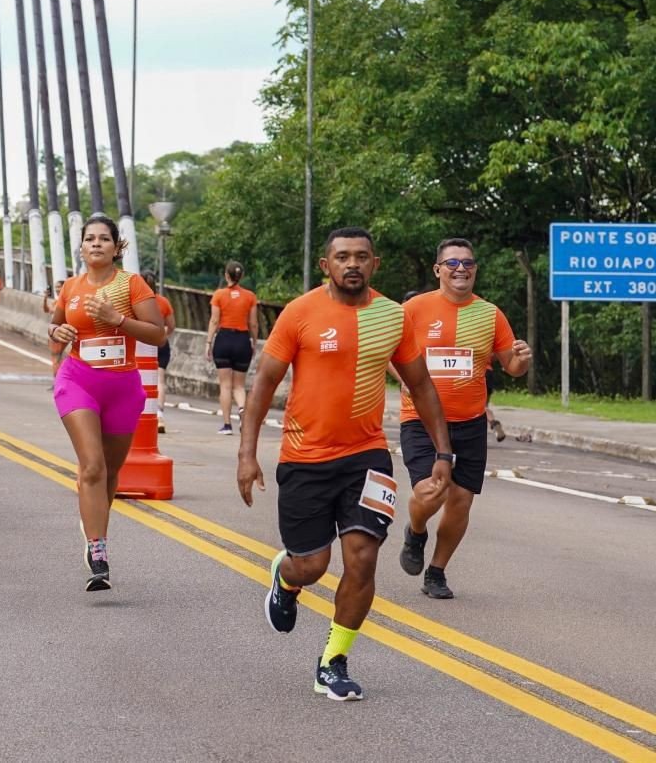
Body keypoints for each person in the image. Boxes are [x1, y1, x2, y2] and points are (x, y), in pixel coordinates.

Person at [238, 227, 453, 702]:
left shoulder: (392, 316)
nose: (351, 264)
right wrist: (246, 453)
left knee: (362, 558)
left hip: (367, 457)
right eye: (342, 257)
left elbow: (420, 386)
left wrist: (443, 452)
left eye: (361, 257)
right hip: (305, 458)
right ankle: (286, 578)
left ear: (374, 263)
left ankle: (333, 662)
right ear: (326, 265)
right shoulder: (300, 313)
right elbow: (264, 385)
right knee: (312, 565)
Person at [399, 238, 532, 599]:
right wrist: (409, 382)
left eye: (468, 263)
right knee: (431, 491)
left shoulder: (490, 314)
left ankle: (436, 572)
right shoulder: (413, 309)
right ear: (437, 270)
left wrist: (522, 358)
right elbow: (391, 357)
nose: (461, 269)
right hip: (422, 419)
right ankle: (415, 531)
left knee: (460, 500)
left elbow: (513, 366)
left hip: (470, 421)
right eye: (453, 263)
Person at [48, 217, 167, 590]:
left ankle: (93, 522)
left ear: (117, 248)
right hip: (78, 380)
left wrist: (119, 320)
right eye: (89, 239)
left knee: (111, 472)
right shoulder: (71, 287)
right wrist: (59, 331)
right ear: (81, 248)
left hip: (123, 386)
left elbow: (158, 334)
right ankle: (98, 552)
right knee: (93, 466)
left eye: (104, 239)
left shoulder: (131, 285)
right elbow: (54, 326)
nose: (96, 244)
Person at [207, 261, 259, 435]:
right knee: (239, 385)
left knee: (225, 385)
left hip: (224, 340)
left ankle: (227, 424)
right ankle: (243, 409)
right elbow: (253, 323)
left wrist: (208, 342)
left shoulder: (219, 295)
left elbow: (214, 321)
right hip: (242, 340)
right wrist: (254, 341)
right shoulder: (250, 296)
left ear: (226, 275)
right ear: (241, 276)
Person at [143, 271, 176, 426]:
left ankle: (141, 413)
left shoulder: (137, 301)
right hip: (160, 343)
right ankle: (159, 414)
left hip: (142, 343)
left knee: (139, 379)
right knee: (159, 380)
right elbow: (171, 326)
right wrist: (162, 335)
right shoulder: (163, 302)